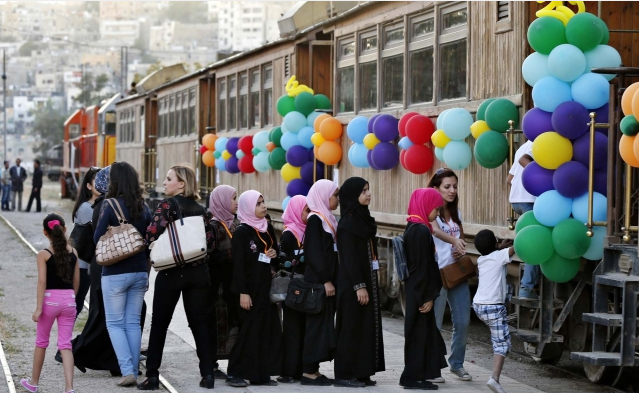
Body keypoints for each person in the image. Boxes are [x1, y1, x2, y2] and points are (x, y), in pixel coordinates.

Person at [139, 165, 215, 390]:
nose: (164, 182)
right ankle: (207, 374)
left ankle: (152, 376)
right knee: (199, 324)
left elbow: (151, 234)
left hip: (171, 272)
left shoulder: (167, 206)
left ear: (181, 184)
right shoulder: (202, 210)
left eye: (168, 178)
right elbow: (209, 243)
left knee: (160, 324)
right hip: (199, 273)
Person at [94, 162, 152, 387]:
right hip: (139, 272)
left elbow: (97, 238)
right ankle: (135, 371)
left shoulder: (109, 205)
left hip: (115, 273)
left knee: (115, 323)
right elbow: (148, 242)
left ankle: (127, 370)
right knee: (133, 323)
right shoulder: (143, 206)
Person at [226, 190, 282, 387]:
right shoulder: (242, 232)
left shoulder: (267, 228)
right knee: (248, 332)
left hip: (265, 290)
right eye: (258, 204)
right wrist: (242, 292)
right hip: (249, 291)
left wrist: (275, 257)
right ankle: (235, 372)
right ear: (249, 207)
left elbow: (274, 256)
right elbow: (239, 266)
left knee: (263, 331)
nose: (263, 206)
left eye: (263, 202)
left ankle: (259, 375)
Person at [71, 166, 122, 376]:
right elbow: (96, 237)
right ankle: (73, 348)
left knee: (98, 311)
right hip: (90, 264)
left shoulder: (102, 205)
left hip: (98, 262)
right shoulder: (91, 207)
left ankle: (82, 348)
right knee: (91, 309)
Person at [335, 177, 385, 387]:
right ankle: (345, 374)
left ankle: (363, 371)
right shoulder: (347, 224)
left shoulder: (364, 219)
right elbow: (349, 259)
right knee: (351, 327)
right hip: (353, 286)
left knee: (365, 326)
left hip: (367, 281)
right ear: (353, 195)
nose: (368, 194)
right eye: (364, 191)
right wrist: (359, 286)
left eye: (368, 189)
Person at [21, 213, 79, 393]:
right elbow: (77, 281)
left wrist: (39, 308)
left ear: (45, 233)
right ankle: (69, 388)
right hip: (69, 301)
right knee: (65, 345)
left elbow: (42, 282)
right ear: (65, 230)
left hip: (50, 302)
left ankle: (34, 383)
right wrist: (71, 298)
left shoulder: (43, 255)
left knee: (41, 342)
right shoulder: (74, 252)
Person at [399, 188, 448, 391]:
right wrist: (427, 297)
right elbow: (421, 269)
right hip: (420, 293)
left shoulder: (415, 226)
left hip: (417, 290)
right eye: (435, 208)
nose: (437, 213)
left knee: (422, 334)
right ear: (426, 205)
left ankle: (419, 375)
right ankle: (411, 377)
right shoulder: (419, 231)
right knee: (418, 335)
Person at [427, 168, 472, 382]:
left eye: (455, 186)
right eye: (447, 186)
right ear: (435, 188)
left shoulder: (456, 213)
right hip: (437, 273)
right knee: (434, 323)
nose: (452, 190)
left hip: (456, 272)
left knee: (463, 320)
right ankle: (432, 367)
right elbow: (434, 230)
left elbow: (461, 237)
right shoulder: (429, 210)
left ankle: (457, 364)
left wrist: (460, 247)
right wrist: (453, 241)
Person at [301, 179, 339, 386]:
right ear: (324, 196)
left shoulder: (328, 218)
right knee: (316, 325)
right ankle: (308, 371)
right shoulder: (316, 219)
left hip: (326, 281)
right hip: (318, 283)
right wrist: (326, 280)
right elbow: (314, 254)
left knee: (323, 324)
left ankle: (314, 369)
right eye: (335, 195)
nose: (338, 200)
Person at [473, 229, 514, 393]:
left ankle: (495, 378)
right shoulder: (499, 256)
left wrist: (498, 247)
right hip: (493, 307)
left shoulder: (481, 260)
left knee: (499, 339)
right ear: (496, 244)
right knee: (502, 344)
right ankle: (494, 379)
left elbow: (494, 254)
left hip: (478, 305)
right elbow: (517, 247)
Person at [207, 184, 240, 379]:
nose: (236, 202)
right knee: (214, 325)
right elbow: (208, 257)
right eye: (233, 198)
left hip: (230, 286)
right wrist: (232, 253)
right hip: (216, 287)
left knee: (232, 326)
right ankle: (211, 365)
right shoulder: (214, 226)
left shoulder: (233, 224)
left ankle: (233, 364)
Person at [277, 195, 310, 383]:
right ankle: (288, 371)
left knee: (304, 328)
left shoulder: (309, 230)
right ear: (297, 211)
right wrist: (296, 260)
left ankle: (302, 369)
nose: (309, 214)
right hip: (293, 289)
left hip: (306, 288)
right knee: (291, 329)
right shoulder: (289, 234)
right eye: (306, 210)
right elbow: (283, 262)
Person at [508, 140, 539, 299]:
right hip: (530, 199)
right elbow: (524, 160)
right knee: (536, 243)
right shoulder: (541, 143)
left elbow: (509, 179)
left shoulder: (522, 146)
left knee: (528, 240)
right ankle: (526, 288)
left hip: (515, 200)